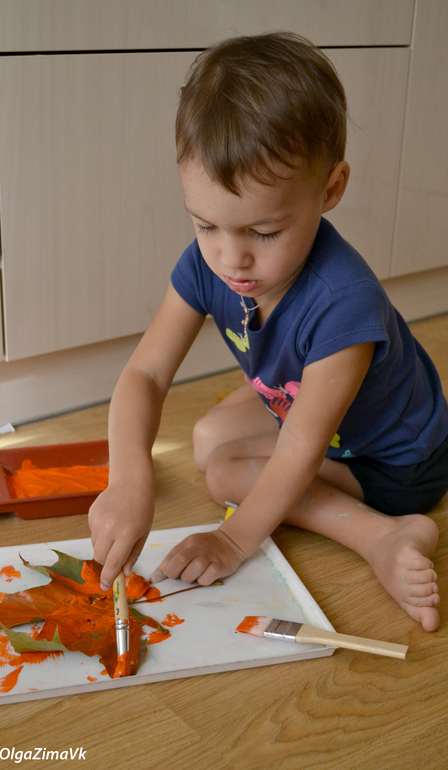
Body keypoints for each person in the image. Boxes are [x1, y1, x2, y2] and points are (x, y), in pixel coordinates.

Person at [88, 31, 448, 632]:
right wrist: (128, 480)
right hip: (320, 419)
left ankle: (382, 535)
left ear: (330, 189)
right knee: (206, 437)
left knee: (226, 471)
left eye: (262, 233)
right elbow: (145, 374)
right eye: (206, 225)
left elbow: (301, 448)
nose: (231, 259)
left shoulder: (344, 304)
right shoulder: (210, 264)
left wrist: (233, 539)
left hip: (395, 463)